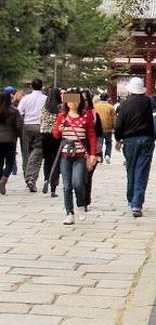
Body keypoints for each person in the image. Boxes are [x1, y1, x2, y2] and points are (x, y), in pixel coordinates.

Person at [53, 89, 97, 225]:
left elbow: (91, 135)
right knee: (67, 186)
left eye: (76, 100)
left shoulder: (85, 116)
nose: (73, 103)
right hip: (65, 154)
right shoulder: (63, 117)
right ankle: (69, 212)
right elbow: (56, 135)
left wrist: (93, 154)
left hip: (80, 154)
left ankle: (80, 204)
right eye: (70, 100)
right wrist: (58, 130)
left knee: (78, 182)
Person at [114, 76, 155, 218]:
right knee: (141, 171)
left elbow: (119, 124)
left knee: (130, 169)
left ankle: (131, 199)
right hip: (146, 139)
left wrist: (118, 139)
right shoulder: (148, 102)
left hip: (129, 140)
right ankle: (137, 204)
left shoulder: (123, 104)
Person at [17, 78, 47, 191]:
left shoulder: (25, 98)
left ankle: (27, 176)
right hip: (40, 126)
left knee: (26, 152)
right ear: (41, 86)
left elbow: (19, 112)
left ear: (31, 86)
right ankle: (32, 178)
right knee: (37, 152)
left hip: (27, 126)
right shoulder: (46, 99)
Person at [80, 89, 103, 211]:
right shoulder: (72, 114)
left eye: (86, 100)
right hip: (77, 149)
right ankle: (81, 198)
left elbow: (99, 133)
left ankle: (85, 200)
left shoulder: (95, 114)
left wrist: (97, 152)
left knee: (87, 176)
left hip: (91, 149)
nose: (84, 102)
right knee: (79, 177)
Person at [40, 87, 62, 197]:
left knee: (47, 160)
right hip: (56, 136)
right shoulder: (61, 108)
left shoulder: (44, 107)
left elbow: (41, 120)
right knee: (56, 160)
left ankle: (46, 179)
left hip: (44, 135)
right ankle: (53, 187)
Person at [0, 91, 22, 195]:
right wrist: (17, 135)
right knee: (10, 162)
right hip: (10, 140)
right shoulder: (14, 111)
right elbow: (19, 126)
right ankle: (4, 179)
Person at [94, 92, 116, 163]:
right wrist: (114, 127)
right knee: (108, 142)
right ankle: (107, 155)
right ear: (107, 98)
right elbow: (114, 118)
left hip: (98, 128)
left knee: (99, 143)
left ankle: (99, 157)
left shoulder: (95, 106)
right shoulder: (110, 107)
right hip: (108, 128)